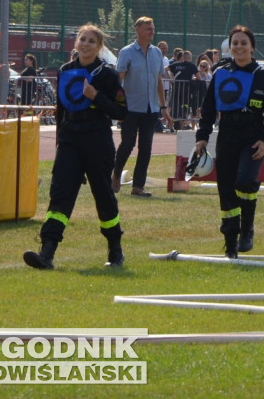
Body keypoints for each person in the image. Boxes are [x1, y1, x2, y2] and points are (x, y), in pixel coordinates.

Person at [22, 24, 129, 270]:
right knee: (60, 194)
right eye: (83, 39)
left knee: (103, 195)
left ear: (99, 46)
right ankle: (47, 252)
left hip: (97, 139)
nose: (86, 44)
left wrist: (96, 97)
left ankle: (115, 249)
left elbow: (121, 112)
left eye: (92, 41)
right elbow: (61, 110)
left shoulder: (107, 74)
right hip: (70, 139)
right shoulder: (65, 70)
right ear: (76, 43)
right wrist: (61, 140)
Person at [194, 26, 264, 258]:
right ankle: (231, 245)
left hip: (253, 135)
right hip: (227, 134)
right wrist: (202, 137)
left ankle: (247, 229)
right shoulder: (220, 73)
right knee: (226, 189)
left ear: (252, 47)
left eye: (244, 43)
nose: (239, 47)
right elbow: (209, 110)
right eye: (235, 43)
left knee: (245, 181)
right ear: (229, 47)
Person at [112, 17, 171, 197]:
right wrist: (117, 107)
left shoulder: (157, 53)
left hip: (150, 110)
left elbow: (159, 81)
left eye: (152, 28)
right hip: (130, 109)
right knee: (127, 144)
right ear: (137, 29)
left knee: (146, 148)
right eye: (148, 28)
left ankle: (138, 186)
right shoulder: (127, 52)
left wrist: (163, 107)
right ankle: (116, 174)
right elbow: (118, 81)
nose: (151, 31)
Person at [168, 50, 199, 130]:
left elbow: (165, 69)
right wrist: (193, 79)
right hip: (186, 91)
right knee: (184, 108)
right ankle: (180, 128)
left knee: (174, 107)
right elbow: (199, 77)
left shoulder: (176, 64)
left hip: (176, 90)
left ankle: (171, 126)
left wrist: (171, 80)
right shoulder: (191, 66)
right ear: (190, 57)